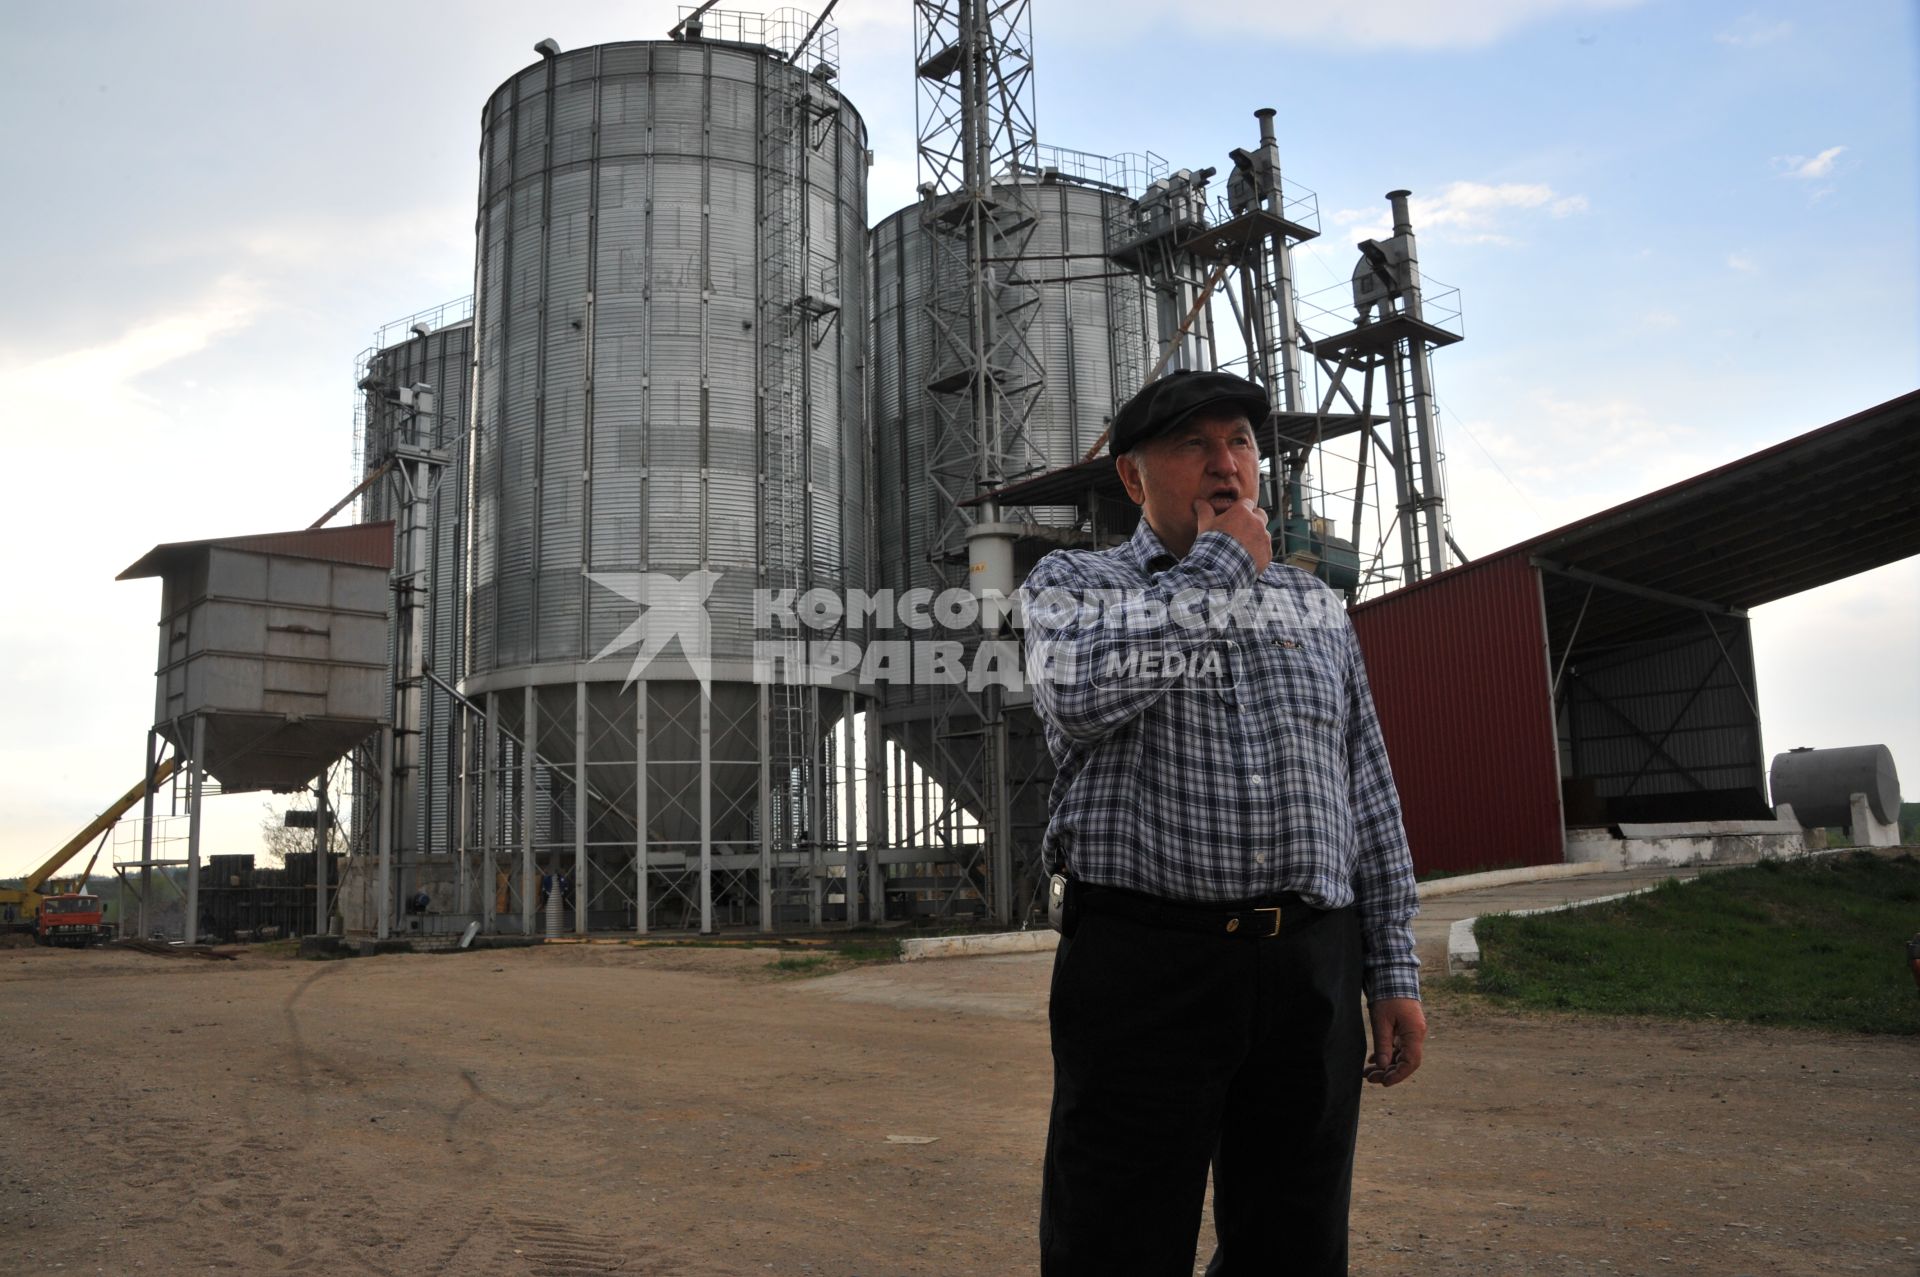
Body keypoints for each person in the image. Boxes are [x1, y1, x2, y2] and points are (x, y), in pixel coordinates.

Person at [1019, 368, 1426, 1276]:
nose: (1225, 463)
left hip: (1307, 965)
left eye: (1240, 441)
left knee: (1295, 1240)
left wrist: (1391, 966)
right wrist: (1223, 567)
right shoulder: (1076, 582)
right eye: (1192, 444)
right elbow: (1080, 695)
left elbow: (1366, 789)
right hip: (1145, 970)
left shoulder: (1317, 608)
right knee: (1115, 1236)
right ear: (1133, 478)